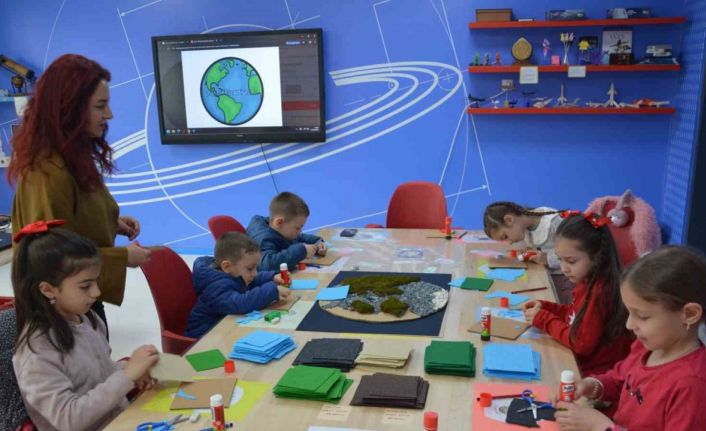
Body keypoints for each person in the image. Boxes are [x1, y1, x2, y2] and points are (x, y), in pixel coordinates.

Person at [7, 54, 151, 329]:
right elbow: (49, 256)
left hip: (76, 302)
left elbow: (70, 219)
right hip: (58, 316)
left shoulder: (69, 157)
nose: (109, 115)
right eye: (100, 106)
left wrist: (111, 222)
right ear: (70, 109)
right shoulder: (47, 171)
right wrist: (122, 258)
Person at [11, 222, 159, 431]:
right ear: (48, 290)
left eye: (96, 282)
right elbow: (68, 420)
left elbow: (99, 375)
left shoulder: (87, 319)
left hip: (122, 421)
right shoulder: (37, 352)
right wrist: (127, 376)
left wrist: (133, 370)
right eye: (85, 286)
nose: (96, 292)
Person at [555, 246, 706, 431]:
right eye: (629, 313)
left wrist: (601, 426)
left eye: (642, 316)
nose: (629, 324)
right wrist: (591, 386)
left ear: (689, 314)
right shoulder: (647, 346)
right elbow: (621, 380)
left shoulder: (693, 385)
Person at [523, 213, 632, 376]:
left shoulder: (599, 291)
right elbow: (575, 315)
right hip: (580, 362)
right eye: (560, 259)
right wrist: (546, 307)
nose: (564, 268)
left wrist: (544, 319)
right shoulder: (587, 279)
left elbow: (580, 343)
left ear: (597, 257)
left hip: (594, 374)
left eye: (571, 261)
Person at [186, 232, 290, 338]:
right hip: (204, 337)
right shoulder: (216, 286)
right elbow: (242, 303)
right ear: (226, 266)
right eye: (250, 268)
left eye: (256, 268)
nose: (255, 273)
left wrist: (272, 277)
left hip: (224, 329)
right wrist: (273, 290)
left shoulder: (233, 273)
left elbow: (250, 281)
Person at [247, 191, 326, 271]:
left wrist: (317, 242)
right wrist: (302, 251)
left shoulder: (280, 229)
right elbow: (268, 265)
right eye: (297, 228)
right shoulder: (264, 239)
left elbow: (298, 237)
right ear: (279, 222)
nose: (300, 232)